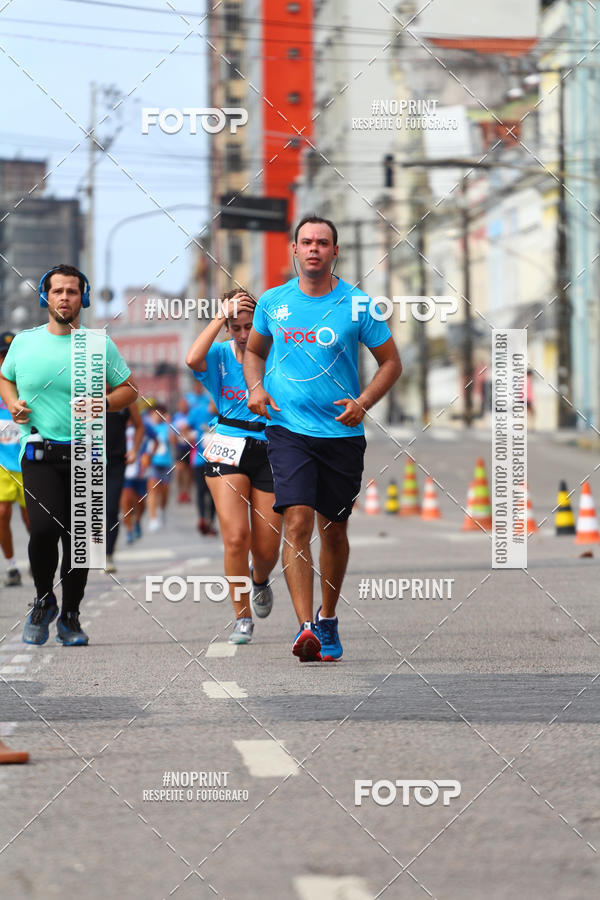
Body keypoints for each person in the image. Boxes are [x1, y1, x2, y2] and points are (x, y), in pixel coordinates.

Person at [244, 215, 402, 662]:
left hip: (341, 433)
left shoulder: (358, 305)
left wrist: (364, 402)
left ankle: (327, 617)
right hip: (287, 428)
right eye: (307, 241)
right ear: (294, 250)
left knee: (333, 530)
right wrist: (256, 388)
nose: (314, 248)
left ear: (335, 251)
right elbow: (254, 351)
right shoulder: (273, 302)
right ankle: (305, 628)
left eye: (322, 242)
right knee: (296, 521)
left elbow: (391, 362)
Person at [0, 265, 137, 646]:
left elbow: (130, 389)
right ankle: (44, 600)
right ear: (45, 297)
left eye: (72, 292)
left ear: (83, 298)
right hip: (39, 451)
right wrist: (13, 403)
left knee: (81, 542)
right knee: (44, 530)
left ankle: (71, 617)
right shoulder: (24, 342)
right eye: (57, 291)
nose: (64, 298)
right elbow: (5, 377)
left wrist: (104, 403)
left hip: (87, 453)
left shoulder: (98, 345)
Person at [186, 289, 282, 644]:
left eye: (249, 327)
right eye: (235, 327)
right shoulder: (219, 354)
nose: (243, 334)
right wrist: (219, 315)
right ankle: (242, 617)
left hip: (271, 444)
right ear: (227, 328)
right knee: (236, 537)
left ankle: (260, 578)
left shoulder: (276, 352)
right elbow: (192, 358)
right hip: (227, 443)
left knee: (267, 549)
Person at [0, 331, 30, 587]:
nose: (4, 359)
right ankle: (11, 566)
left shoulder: (28, 385)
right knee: (1, 513)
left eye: (8, 355)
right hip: (2, 465)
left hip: (27, 461)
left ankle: (39, 557)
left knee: (33, 520)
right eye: (1, 355)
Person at [105, 396, 145, 572]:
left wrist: (134, 450)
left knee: (111, 509)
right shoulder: (87, 394)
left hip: (116, 462)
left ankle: (108, 555)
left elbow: (139, 426)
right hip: (90, 460)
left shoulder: (125, 398)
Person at [185, 386, 217, 536]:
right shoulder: (198, 411)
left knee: (214, 492)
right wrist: (189, 438)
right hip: (199, 459)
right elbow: (185, 428)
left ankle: (210, 521)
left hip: (218, 460)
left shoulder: (223, 413)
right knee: (201, 490)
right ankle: (202, 519)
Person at [121, 409, 157, 544]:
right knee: (126, 498)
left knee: (140, 502)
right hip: (124, 469)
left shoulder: (144, 425)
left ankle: (137, 520)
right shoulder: (119, 423)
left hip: (141, 470)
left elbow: (156, 441)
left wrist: (149, 455)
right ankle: (129, 529)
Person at [146, 404, 175, 532]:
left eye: (159, 414)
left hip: (166, 463)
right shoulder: (148, 427)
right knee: (152, 490)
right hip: (153, 463)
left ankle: (161, 510)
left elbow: (174, 442)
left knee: (165, 492)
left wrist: (169, 426)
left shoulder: (166, 427)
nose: (156, 416)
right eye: (154, 413)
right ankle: (153, 518)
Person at [172, 398, 193, 503]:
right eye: (181, 404)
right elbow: (172, 431)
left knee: (189, 471)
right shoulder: (176, 417)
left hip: (190, 446)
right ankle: (181, 492)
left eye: (185, 404)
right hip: (180, 447)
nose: (183, 406)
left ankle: (187, 492)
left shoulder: (191, 415)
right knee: (179, 469)